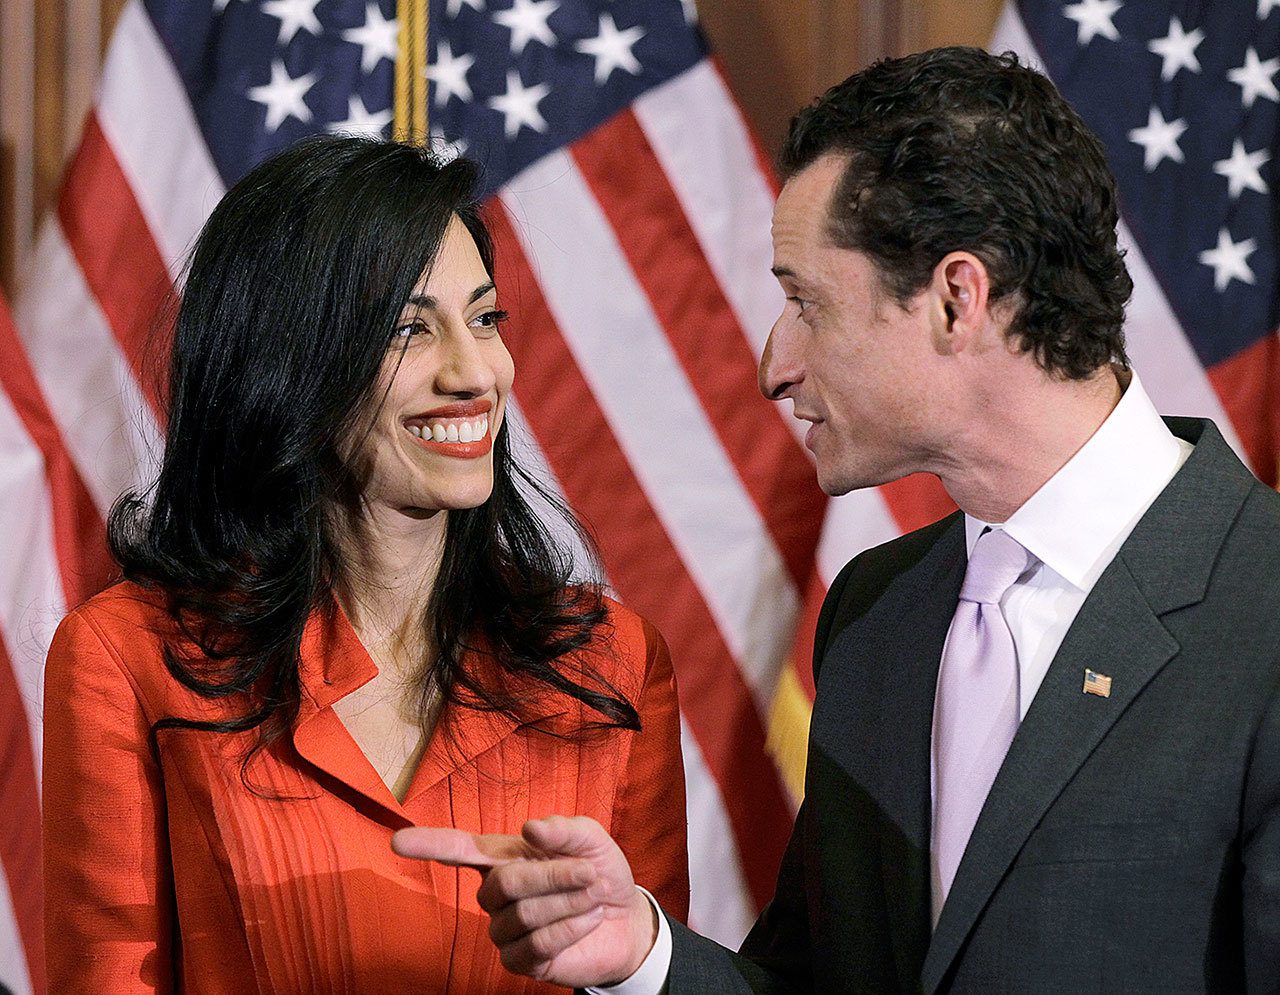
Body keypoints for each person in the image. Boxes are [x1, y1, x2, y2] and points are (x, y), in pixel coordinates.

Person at [392, 46, 1280, 992]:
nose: (775, 363)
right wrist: (644, 955)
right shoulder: (878, 611)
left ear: (956, 299)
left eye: (806, 301)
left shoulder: (1259, 613)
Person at [41, 134, 689, 993]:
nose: (476, 370)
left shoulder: (610, 660)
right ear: (287, 364)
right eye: (408, 330)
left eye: (486, 318)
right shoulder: (129, 658)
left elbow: (666, 978)